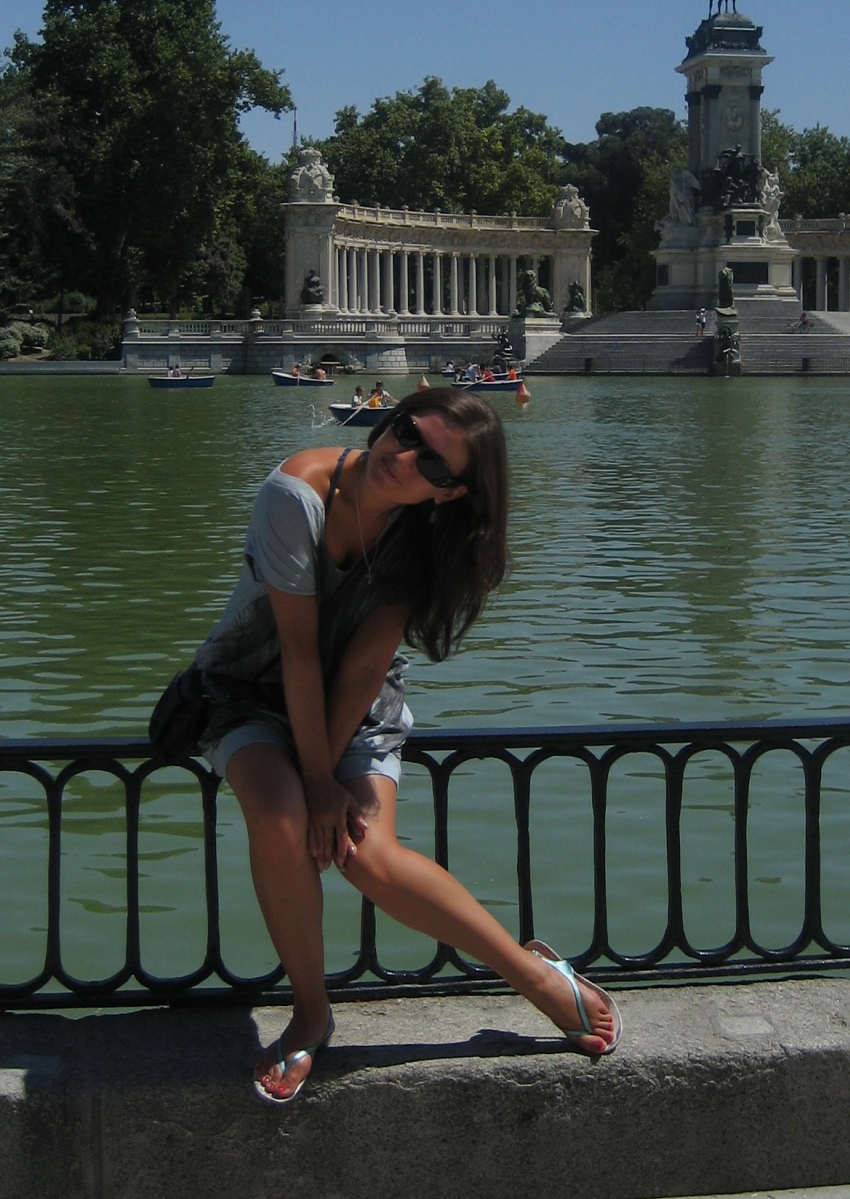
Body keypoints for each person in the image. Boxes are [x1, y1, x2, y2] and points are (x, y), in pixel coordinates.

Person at [158, 389, 620, 1104]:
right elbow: (298, 652)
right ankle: (311, 1013)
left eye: (430, 463)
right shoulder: (296, 493)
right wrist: (316, 781)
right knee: (281, 821)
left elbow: (364, 667)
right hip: (249, 688)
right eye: (405, 431)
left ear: (449, 493)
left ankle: (535, 975)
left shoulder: (423, 533)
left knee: (366, 855)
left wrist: (325, 777)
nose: (400, 456)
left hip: (357, 702)